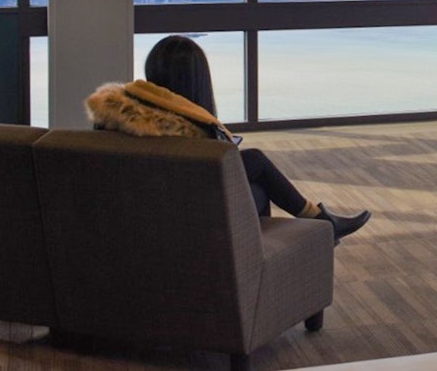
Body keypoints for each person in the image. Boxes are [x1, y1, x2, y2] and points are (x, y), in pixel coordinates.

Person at [84, 34, 370, 244]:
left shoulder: (115, 115)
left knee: (255, 176)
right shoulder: (187, 132)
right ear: (196, 80)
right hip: (184, 218)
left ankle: (315, 222)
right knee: (255, 172)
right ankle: (311, 226)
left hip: (139, 213)